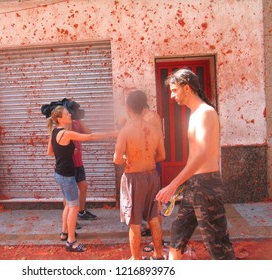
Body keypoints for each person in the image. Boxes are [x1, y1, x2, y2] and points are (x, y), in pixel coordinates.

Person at [155, 68, 235, 260]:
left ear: (187, 88)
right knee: (178, 232)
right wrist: (183, 183)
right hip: (196, 184)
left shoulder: (206, 113)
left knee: (218, 245)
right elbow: (194, 158)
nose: (172, 95)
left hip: (207, 186)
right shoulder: (195, 113)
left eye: (174, 90)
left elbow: (201, 155)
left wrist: (173, 184)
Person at [46, 106, 117, 252]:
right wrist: (112, 133)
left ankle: (64, 233)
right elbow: (89, 137)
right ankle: (71, 242)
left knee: (68, 205)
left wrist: (67, 152)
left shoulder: (54, 132)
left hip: (60, 174)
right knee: (74, 207)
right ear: (60, 118)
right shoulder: (66, 133)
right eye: (67, 114)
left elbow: (50, 152)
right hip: (66, 176)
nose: (70, 114)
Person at [114, 90, 166, 260]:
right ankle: (158, 255)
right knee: (153, 218)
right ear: (144, 105)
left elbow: (117, 159)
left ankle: (136, 260)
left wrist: (125, 158)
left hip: (133, 178)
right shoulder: (154, 129)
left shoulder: (125, 131)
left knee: (135, 222)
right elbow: (162, 156)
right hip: (152, 176)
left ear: (128, 108)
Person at [71, 119, 98, 220]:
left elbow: (89, 133)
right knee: (69, 193)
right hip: (68, 165)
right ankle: (71, 218)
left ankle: (81, 212)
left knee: (83, 187)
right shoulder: (62, 124)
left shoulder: (76, 121)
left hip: (78, 162)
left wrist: (79, 120)